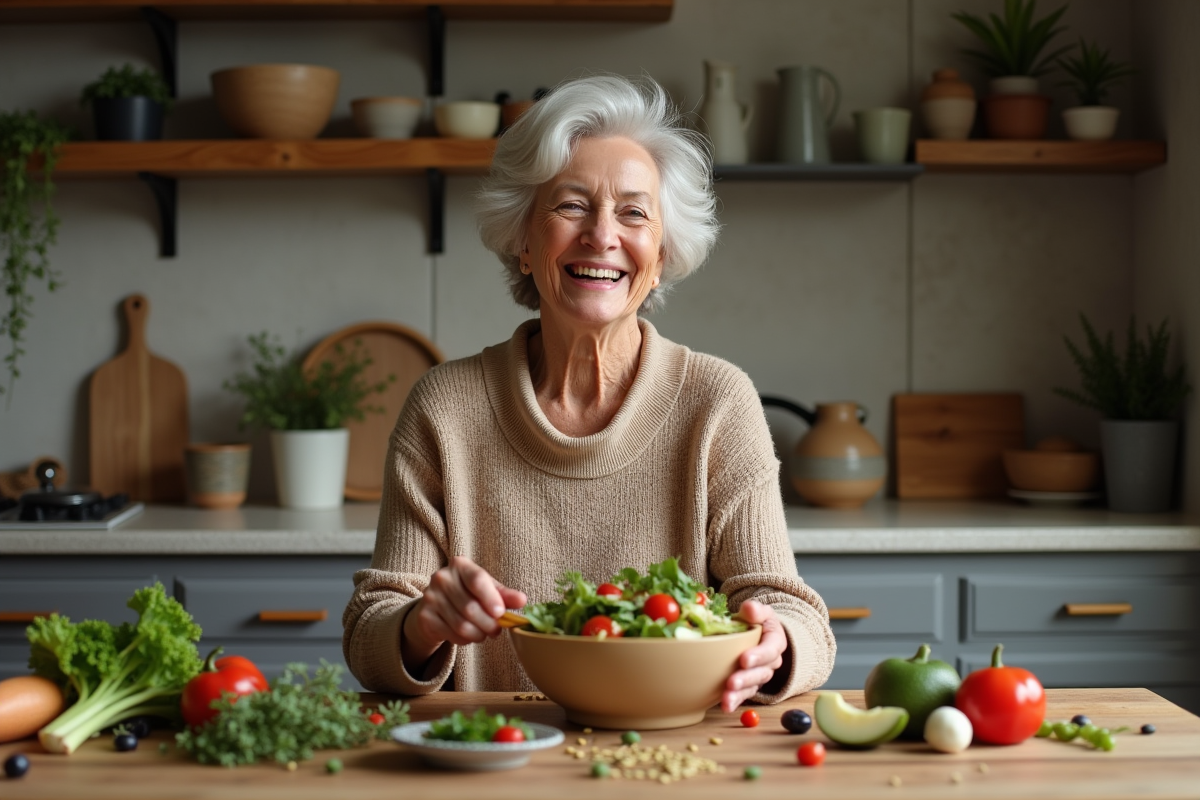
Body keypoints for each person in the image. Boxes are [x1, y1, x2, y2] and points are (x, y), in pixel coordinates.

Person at [342, 74, 835, 711]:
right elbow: (369, 631)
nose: (602, 235)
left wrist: (779, 644)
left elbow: (797, 617)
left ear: (660, 255)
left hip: (668, 760)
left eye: (633, 212)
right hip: (497, 760)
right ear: (522, 240)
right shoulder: (444, 408)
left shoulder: (717, 402)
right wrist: (423, 623)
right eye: (571, 205)